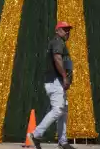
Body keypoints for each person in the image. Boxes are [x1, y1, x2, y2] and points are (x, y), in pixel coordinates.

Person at [28, 21, 76, 149]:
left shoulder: (61, 43)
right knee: (58, 109)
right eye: (64, 29)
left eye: (68, 30)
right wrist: (65, 77)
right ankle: (35, 134)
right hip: (55, 81)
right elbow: (57, 58)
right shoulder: (57, 41)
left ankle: (63, 141)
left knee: (63, 112)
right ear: (57, 30)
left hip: (59, 82)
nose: (67, 32)